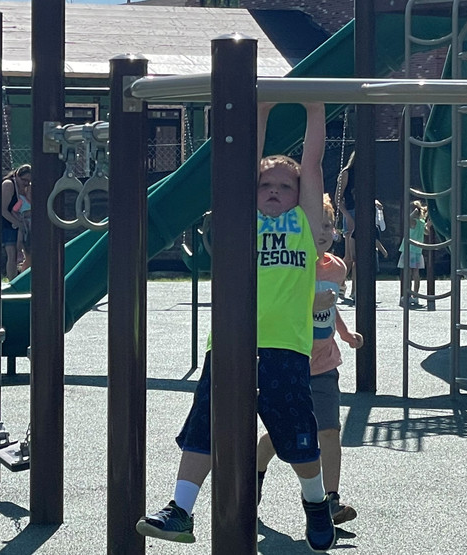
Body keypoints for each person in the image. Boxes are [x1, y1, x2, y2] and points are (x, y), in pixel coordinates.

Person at [136, 103, 337, 552]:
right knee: (205, 427)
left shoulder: (303, 225)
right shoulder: (240, 221)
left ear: (298, 196)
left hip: (285, 345)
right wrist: (258, 112)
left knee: (299, 437)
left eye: (284, 187)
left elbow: (312, 164)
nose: (273, 191)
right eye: (265, 184)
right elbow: (240, 164)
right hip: (228, 342)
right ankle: (180, 510)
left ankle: (315, 503)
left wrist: (316, 105)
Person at [256, 193, 363, 527]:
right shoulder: (289, 262)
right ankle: (253, 478)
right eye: (315, 224)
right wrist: (309, 305)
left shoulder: (338, 268)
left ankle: (330, 500)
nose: (321, 232)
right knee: (280, 434)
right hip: (292, 361)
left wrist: (344, 333)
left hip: (324, 364)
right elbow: (280, 307)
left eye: (328, 225)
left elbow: (330, 306)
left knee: (329, 431)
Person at [0, 164, 31, 280]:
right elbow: (2, 209)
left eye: (29, 181)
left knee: (22, 253)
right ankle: (12, 281)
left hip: (16, 223)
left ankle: (21, 278)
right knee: (11, 254)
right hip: (7, 224)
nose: (26, 183)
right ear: (17, 175)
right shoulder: (9, 185)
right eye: (24, 180)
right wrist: (18, 223)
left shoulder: (23, 188)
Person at [399, 199, 430, 308]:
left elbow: (407, 219)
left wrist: (414, 213)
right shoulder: (421, 223)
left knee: (407, 273)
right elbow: (426, 232)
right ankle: (415, 295)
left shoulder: (413, 221)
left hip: (409, 250)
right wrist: (428, 224)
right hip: (418, 251)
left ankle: (407, 294)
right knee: (416, 273)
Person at [335, 151, 357, 304]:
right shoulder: (347, 173)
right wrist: (347, 216)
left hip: (364, 213)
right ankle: (338, 284)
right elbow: (338, 198)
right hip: (351, 212)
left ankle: (355, 290)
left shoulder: (366, 174)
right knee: (350, 257)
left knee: (359, 258)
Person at [12, 177, 33, 272]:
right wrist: (18, 219)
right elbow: (14, 211)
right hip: (24, 225)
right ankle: (20, 255)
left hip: (32, 227)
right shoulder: (22, 200)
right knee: (20, 239)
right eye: (30, 193)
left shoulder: (36, 203)